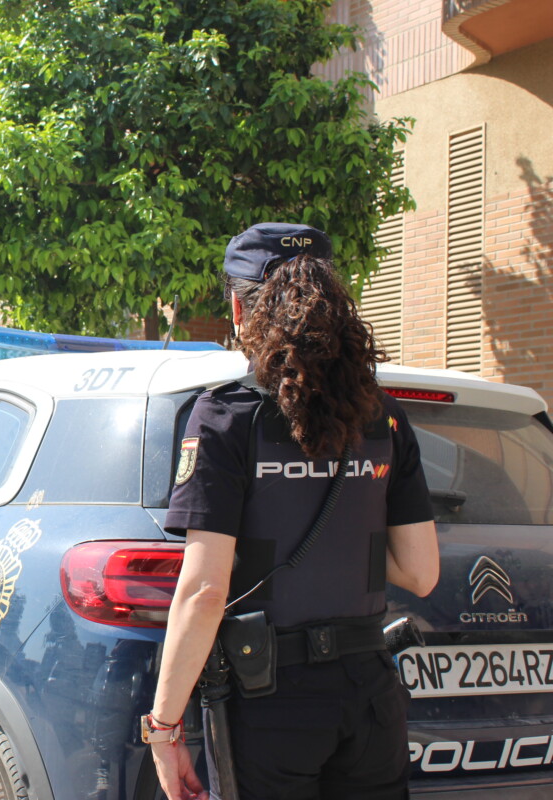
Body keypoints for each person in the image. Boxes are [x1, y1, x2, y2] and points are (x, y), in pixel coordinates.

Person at [146, 223, 440, 800]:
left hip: (270, 702)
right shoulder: (383, 417)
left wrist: (163, 727)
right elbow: (422, 572)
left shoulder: (226, 418)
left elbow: (205, 593)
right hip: (370, 699)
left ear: (237, 306)